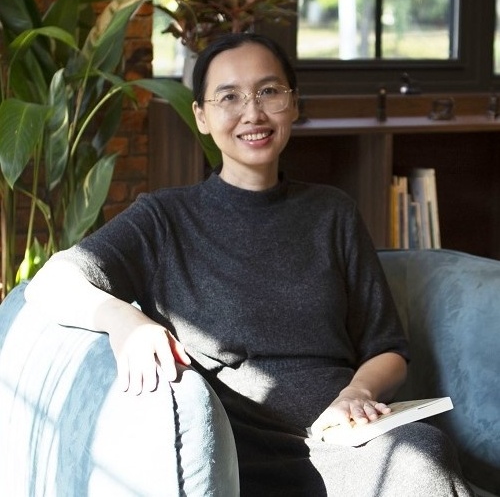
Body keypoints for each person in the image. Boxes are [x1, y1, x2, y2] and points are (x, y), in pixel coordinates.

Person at [26, 33, 473, 496]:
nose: (253, 113)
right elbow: (51, 282)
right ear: (201, 116)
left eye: (269, 91)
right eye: (229, 97)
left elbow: (388, 350)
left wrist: (356, 394)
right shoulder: (164, 218)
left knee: (422, 452)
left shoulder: (332, 212)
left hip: (342, 432)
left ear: (293, 104)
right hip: (238, 446)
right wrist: (126, 321)